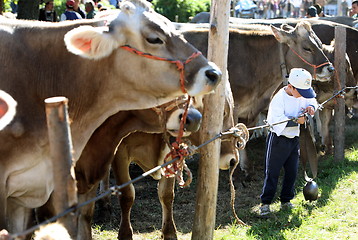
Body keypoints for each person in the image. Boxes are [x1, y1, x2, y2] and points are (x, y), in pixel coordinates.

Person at [259, 68, 318, 216]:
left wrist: (311, 107)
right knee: (272, 172)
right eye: (302, 92)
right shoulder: (279, 99)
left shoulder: (303, 93)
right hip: (278, 140)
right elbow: (277, 122)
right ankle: (265, 203)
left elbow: (313, 100)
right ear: (291, 86)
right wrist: (297, 121)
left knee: (292, 171)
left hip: (295, 139)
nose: (304, 96)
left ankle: (286, 200)